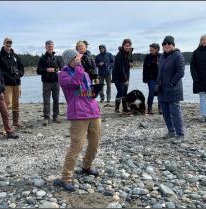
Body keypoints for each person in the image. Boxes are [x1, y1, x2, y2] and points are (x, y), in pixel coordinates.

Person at [53, 49, 102, 192]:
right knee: (77, 146)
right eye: (75, 58)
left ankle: (87, 166)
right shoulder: (63, 75)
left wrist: (95, 91)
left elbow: (83, 91)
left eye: (78, 57)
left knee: (95, 142)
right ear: (69, 60)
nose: (78, 59)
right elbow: (75, 82)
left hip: (93, 111)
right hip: (78, 114)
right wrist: (80, 67)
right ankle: (65, 178)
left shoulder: (85, 73)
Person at [156, 35, 185, 141]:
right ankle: (171, 131)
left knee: (175, 112)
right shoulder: (162, 56)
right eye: (165, 44)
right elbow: (160, 72)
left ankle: (180, 134)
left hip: (173, 90)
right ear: (162, 46)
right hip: (162, 90)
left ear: (173, 45)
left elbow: (180, 72)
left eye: (169, 43)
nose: (167, 45)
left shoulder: (178, 55)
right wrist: (157, 84)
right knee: (165, 113)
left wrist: (172, 83)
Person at [0, 37, 25, 128]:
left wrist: (19, 74)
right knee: (7, 104)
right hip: (7, 84)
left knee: (16, 103)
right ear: (4, 43)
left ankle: (15, 122)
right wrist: (8, 76)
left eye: (10, 43)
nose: (8, 44)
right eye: (7, 43)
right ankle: (7, 124)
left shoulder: (15, 56)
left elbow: (21, 68)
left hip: (17, 83)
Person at [36, 40, 63, 126]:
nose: (50, 47)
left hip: (56, 82)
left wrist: (58, 70)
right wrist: (46, 70)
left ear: (53, 47)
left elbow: (62, 69)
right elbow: (38, 71)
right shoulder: (42, 58)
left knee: (56, 100)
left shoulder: (57, 58)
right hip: (46, 82)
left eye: (51, 46)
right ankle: (46, 117)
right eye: (48, 46)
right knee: (46, 100)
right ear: (46, 47)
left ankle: (55, 116)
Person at [112, 39, 133, 113]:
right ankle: (116, 108)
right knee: (121, 91)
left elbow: (130, 60)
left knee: (125, 92)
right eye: (126, 46)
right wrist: (125, 80)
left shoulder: (130, 52)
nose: (128, 47)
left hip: (126, 74)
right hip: (118, 76)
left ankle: (125, 108)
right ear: (123, 46)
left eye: (129, 46)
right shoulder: (119, 55)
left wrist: (131, 63)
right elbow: (120, 68)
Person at [143, 43, 161, 114]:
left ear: (157, 49)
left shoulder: (161, 56)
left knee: (160, 93)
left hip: (160, 78)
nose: (151, 51)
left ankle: (160, 108)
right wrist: (144, 78)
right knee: (151, 93)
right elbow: (145, 68)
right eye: (150, 50)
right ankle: (149, 108)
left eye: (152, 50)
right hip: (151, 78)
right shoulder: (147, 57)